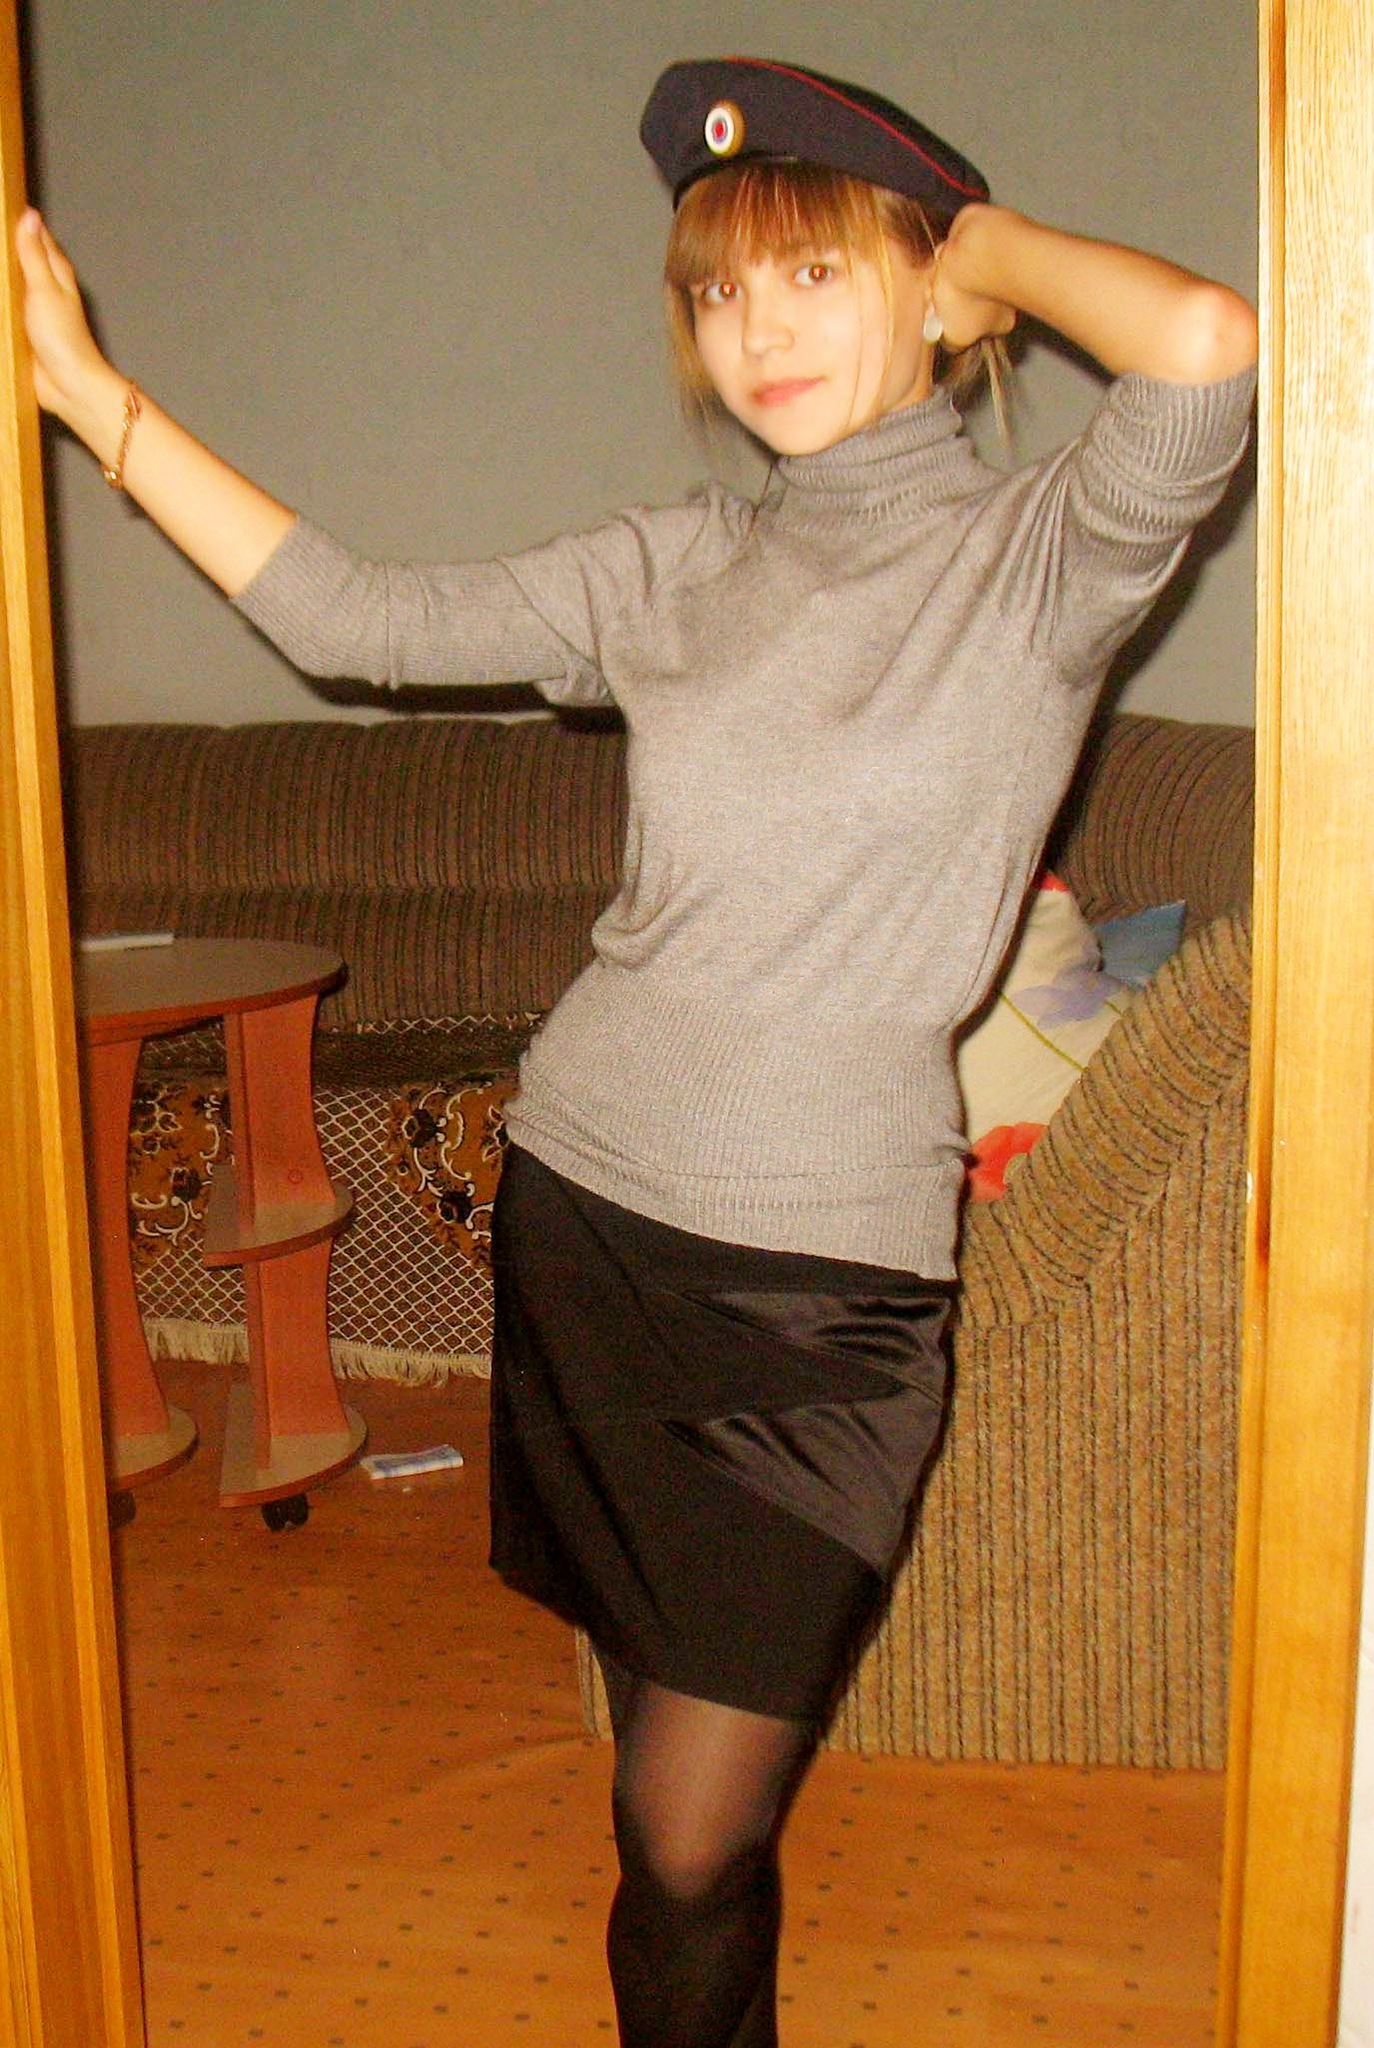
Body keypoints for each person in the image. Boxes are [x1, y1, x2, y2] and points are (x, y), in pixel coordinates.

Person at [19, 52, 1258, 2048]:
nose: (754, 331)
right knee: (657, 1800)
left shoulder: (1037, 561)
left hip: (824, 1294)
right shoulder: (679, 565)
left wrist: (981, 245)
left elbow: (1203, 347)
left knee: (692, 1828)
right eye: (717, 290)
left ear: (934, 292)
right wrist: (99, 404)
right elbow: (358, 620)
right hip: (591, 1211)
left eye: (812, 273)